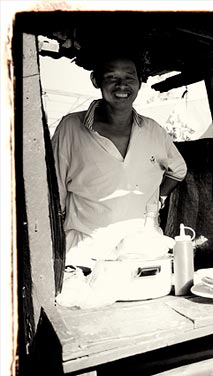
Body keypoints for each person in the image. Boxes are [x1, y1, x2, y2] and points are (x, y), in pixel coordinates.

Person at [52, 50, 187, 267]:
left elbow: (178, 171)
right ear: (96, 80)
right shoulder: (70, 128)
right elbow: (54, 194)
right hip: (85, 257)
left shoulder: (154, 131)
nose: (121, 85)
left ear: (139, 83)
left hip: (143, 255)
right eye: (112, 77)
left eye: (129, 77)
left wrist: (156, 201)